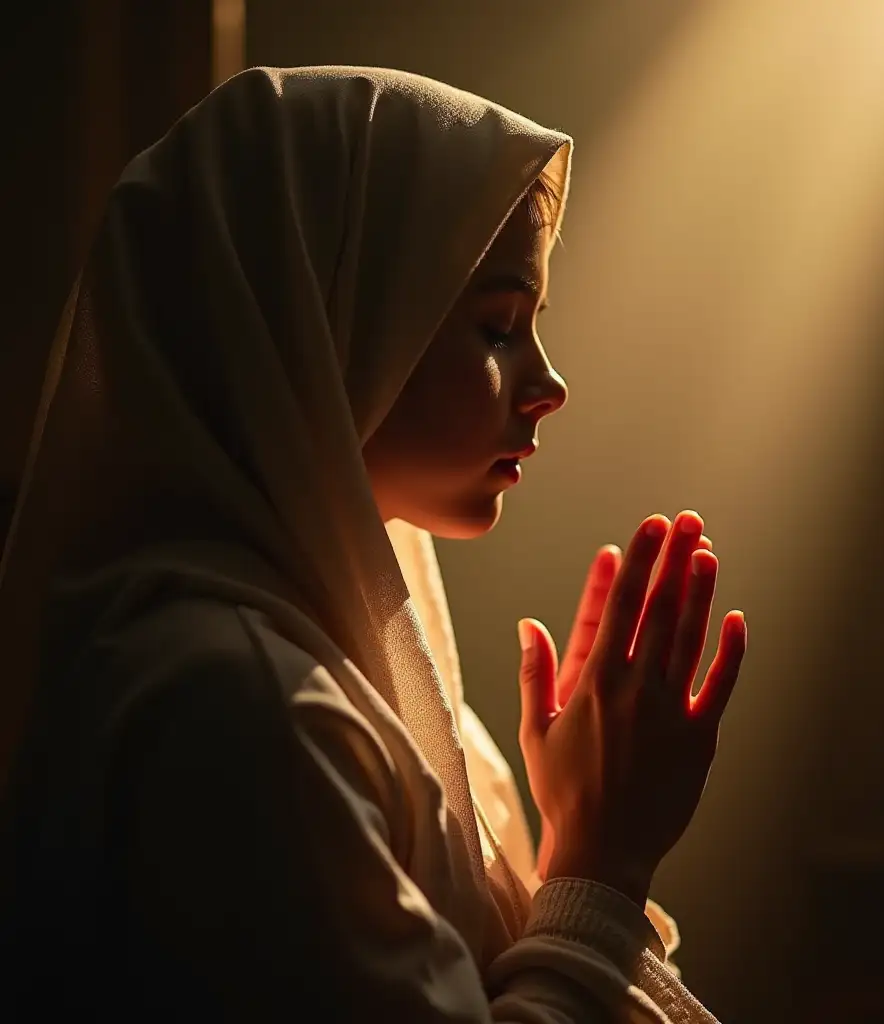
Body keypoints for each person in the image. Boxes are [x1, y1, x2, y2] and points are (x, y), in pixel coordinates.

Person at [0, 66, 747, 1021]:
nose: (549, 383)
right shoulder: (236, 705)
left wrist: (569, 845)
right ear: (318, 319)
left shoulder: (376, 687)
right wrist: (603, 866)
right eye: (498, 326)